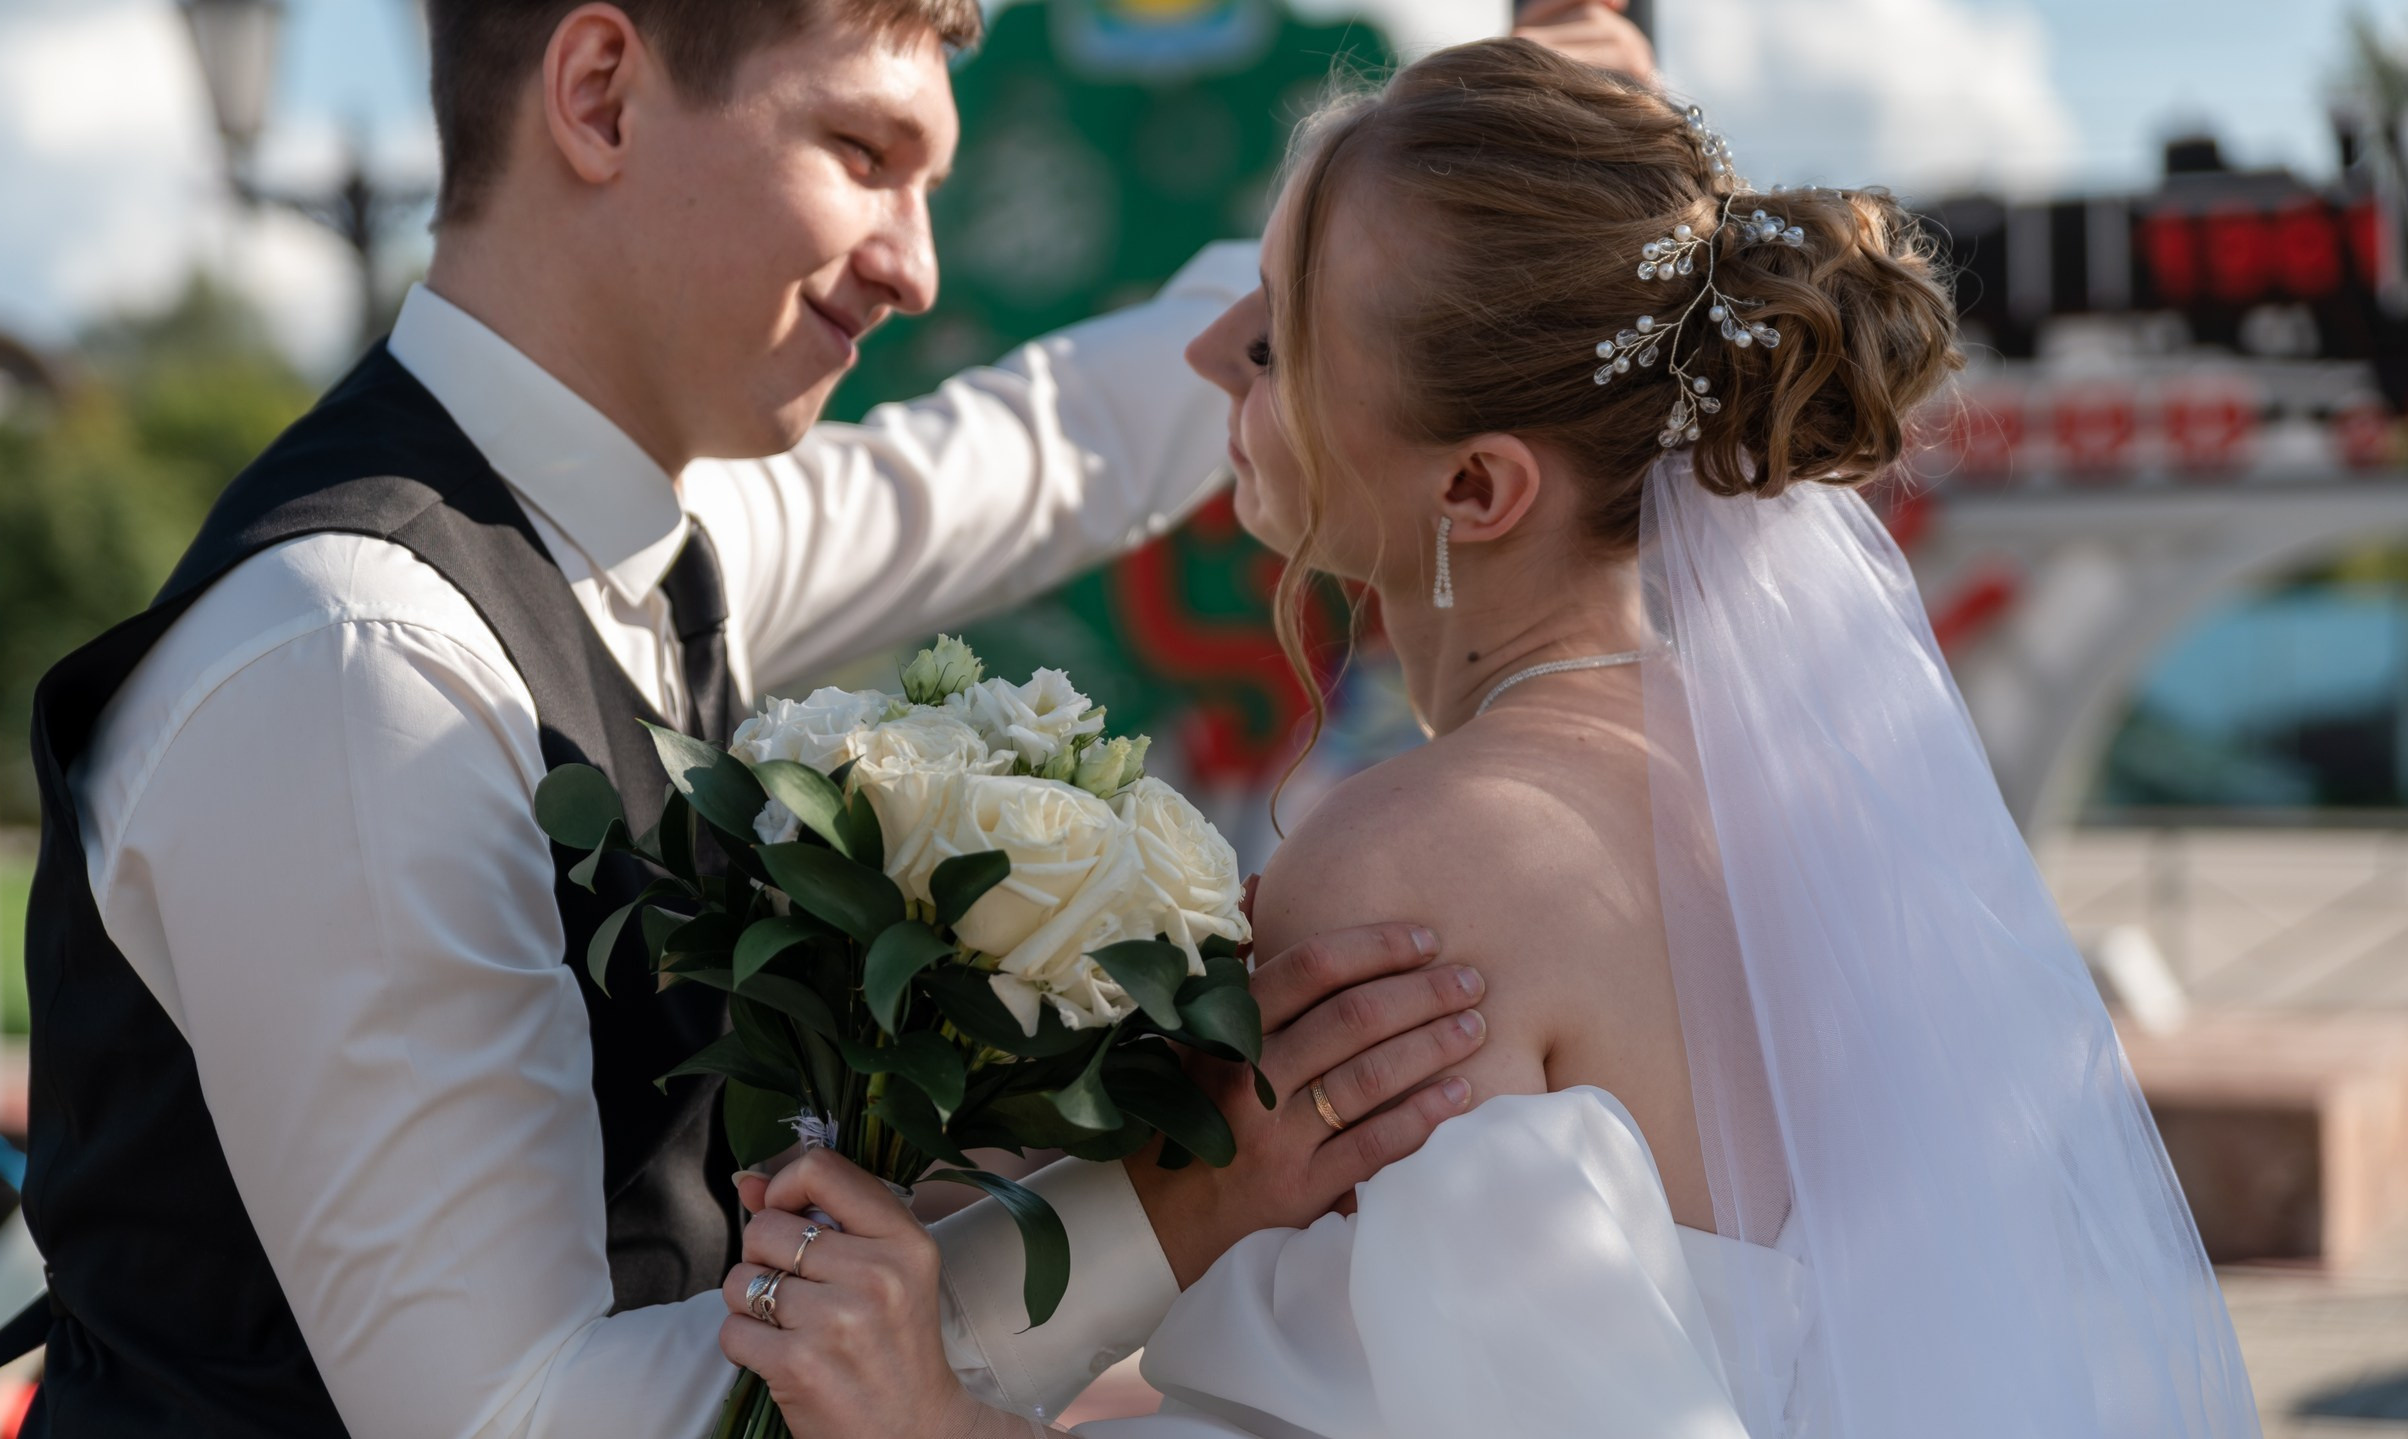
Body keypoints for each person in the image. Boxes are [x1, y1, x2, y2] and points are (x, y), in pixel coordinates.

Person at [0, 3, 1682, 1433]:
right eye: (862, 155)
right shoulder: (352, 667)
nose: (913, 265)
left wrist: (1438, 255)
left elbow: (1037, 447)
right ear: (603, 93)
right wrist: (1178, 1207)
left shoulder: (639, 539)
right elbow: (519, 1424)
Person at [711, 40, 2267, 1439]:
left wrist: (921, 1412)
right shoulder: (1796, 802)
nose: (1207, 362)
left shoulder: (1411, 875)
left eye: (1271, 343)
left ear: (1476, 492)